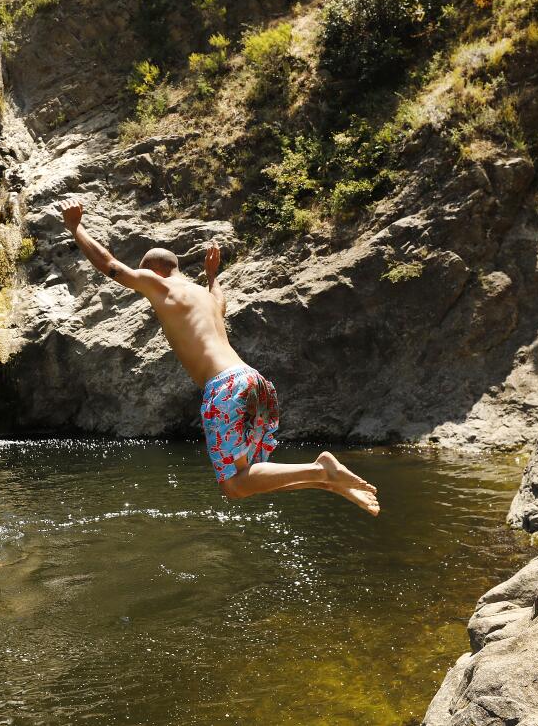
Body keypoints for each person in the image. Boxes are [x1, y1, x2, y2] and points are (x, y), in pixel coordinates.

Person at [57, 197, 379, 516]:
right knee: (253, 477)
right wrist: (212, 275)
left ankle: (322, 470)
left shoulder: (161, 286)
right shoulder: (205, 298)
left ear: (156, 271)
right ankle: (328, 482)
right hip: (254, 382)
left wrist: (76, 228)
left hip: (224, 387)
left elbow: (112, 266)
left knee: (233, 485)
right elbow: (220, 300)